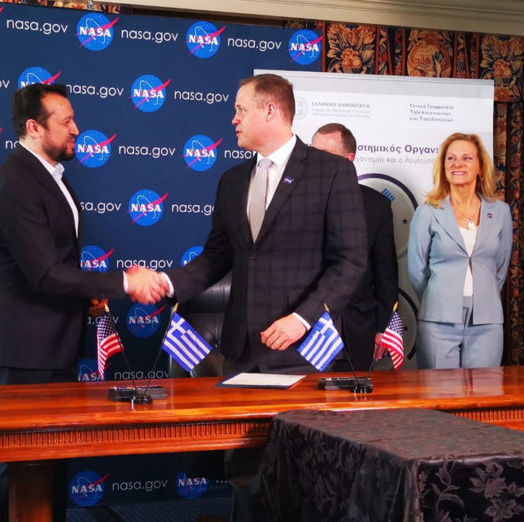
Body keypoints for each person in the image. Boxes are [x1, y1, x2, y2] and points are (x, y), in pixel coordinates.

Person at [161, 74, 368, 521]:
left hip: (301, 351)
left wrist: (303, 318)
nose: (233, 119)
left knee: (302, 474)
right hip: (241, 352)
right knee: (246, 475)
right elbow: (216, 257)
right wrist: (167, 283)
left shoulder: (331, 172)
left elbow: (350, 261)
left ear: (270, 110)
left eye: (240, 109)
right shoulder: (232, 180)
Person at [0, 83, 165, 521]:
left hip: (52, 341)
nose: (77, 129)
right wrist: (123, 282)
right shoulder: (15, 183)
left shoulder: (49, 177)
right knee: (24, 465)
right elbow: (43, 273)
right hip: (23, 347)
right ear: (34, 127)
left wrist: (87, 295)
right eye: (67, 121)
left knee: (50, 459)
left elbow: (57, 263)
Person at [407, 132, 512, 369]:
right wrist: (439, 298)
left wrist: (483, 296)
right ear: (443, 166)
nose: (458, 164)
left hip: (487, 322)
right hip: (438, 320)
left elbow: (500, 268)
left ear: (481, 167)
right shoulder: (427, 212)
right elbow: (417, 270)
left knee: (485, 390)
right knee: (439, 391)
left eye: (467, 158)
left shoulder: (501, 212)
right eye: (451, 158)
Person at [311, 123, 398, 371]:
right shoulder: (294, 201)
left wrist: (382, 327)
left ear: (348, 160)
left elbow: (385, 273)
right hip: (306, 329)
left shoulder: (376, 205)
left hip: (357, 329)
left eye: (325, 155)